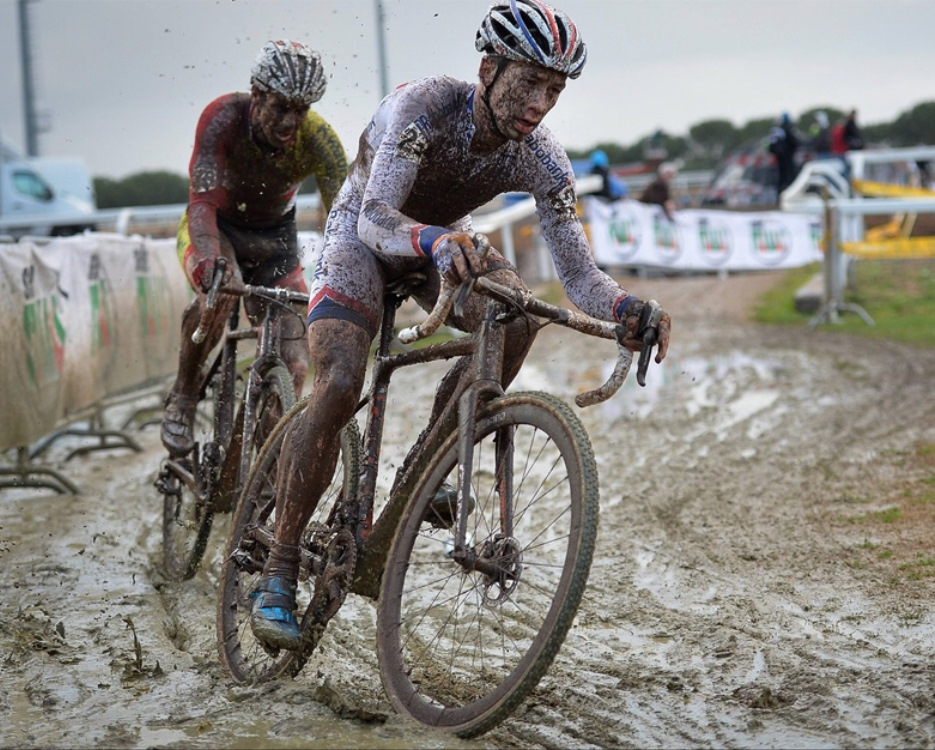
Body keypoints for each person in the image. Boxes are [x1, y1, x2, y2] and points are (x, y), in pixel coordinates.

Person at [248, 0, 672, 650]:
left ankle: (430, 465)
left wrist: (623, 309)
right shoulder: (426, 106)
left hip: (441, 244)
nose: (539, 102)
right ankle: (277, 567)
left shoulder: (545, 160)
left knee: (517, 310)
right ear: (487, 67)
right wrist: (438, 244)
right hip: (366, 237)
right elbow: (373, 217)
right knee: (336, 386)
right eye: (527, 81)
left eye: (553, 89)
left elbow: (580, 274)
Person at [160, 40, 348, 458]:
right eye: (280, 106)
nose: (290, 121)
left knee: (297, 360)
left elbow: (342, 221)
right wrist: (210, 262)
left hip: (274, 240)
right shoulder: (222, 117)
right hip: (215, 227)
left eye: (301, 109)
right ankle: (185, 395)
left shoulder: (321, 141)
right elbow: (202, 202)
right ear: (257, 94)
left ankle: (262, 466)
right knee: (221, 294)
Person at [767, 112, 799, 197]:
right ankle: (786, 195)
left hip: (779, 158)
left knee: (780, 178)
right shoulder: (786, 129)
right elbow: (794, 143)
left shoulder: (775, 129)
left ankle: (779, 195)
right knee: (788, 177)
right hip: (786, 157)